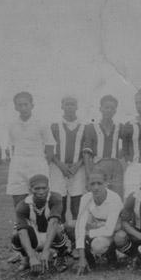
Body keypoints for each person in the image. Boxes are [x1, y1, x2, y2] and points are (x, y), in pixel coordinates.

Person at [11, 174, 70, 274]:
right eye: (37, 189)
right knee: (16, 234)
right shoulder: (23, 205)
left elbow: (53, 222)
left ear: (48, 188)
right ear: (30, 190)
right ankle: (26, 258)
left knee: (57, 228)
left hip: (51, 235)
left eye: (44, 188)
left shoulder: (55, 198)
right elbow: (22, 232)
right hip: (34, 237)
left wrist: (46, 250)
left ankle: (61, 256)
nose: (41, 192)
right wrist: (32, 256)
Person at [6, 92, 55, 207]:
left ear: (32, 105)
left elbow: (50, 146)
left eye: (26, 104)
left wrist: (43, 164)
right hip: (18, 164)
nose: (23, 108)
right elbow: (12, 146)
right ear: (15, 107)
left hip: (37, 163)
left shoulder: (42, 123)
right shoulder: (12, 125)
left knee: (40, 201)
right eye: (20, 105)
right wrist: (15, 161)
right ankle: (22, 220)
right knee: (19, 200)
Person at [75, 171, 124, 275]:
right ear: (88, 185)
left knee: (98, 246)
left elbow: (109, 229)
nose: (96, 187)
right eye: (92, 184)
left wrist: (88, 233)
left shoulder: (114, 198)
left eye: (99, 183)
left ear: (106, 183)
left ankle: (112, 254)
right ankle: (88, 259)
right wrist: (82, 258)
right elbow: (80, 227)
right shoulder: (85, 198)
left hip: (113, 230)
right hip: (97, 227)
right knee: (71, 226)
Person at [50, 96, 86, 227]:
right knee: (60, 203)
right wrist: (61, 165)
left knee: (77, 203)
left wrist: (77, 165)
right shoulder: (54, 126)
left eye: (72, 104)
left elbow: (87, 150)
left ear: (77, 106)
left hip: (78, 169)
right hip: (58, 168)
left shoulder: (84, 126)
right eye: (67, 104)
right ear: (62, 106)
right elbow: (49, 150)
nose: (70, 107)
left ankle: (77, 234)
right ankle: (60, 234)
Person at [82, 95, 125, 199]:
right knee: (99, 197)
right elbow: (87, 152)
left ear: (115, 111)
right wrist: (88, 174)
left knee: (117, 197)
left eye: (112, 108)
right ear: (100, 109)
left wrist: (121, 154)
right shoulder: (91, 127)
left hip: (115, 166)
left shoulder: (119, 127)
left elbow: (128, 143)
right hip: (99, 165)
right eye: (106, 107)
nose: (109, 110)